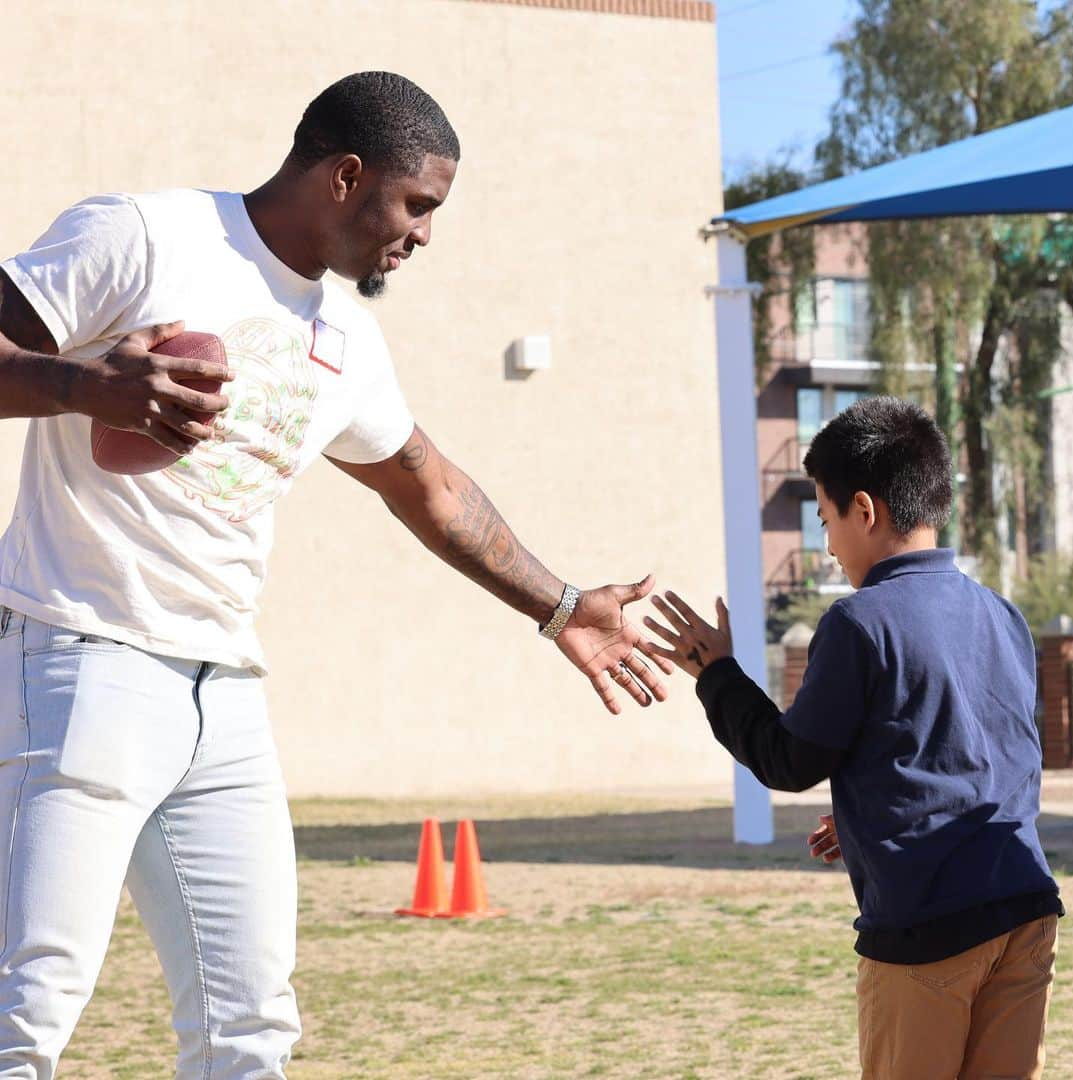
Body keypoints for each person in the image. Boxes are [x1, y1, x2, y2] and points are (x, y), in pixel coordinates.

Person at [0, 71, 669, 1076]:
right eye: (418, 205)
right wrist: (79, 384)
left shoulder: (348, 340)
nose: (426, 237)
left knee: (252, 1030)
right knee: (25, 1013)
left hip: (221, 696)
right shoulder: (144, 236)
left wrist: (563, 607)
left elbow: (429, 488)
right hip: (79, 657)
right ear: (346, 176)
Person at [643, 397, 1062, 1080]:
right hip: (1025, 912)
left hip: (931, 929)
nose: (830, 545)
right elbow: (1000, 754)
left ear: (864, 511)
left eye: (827, 520)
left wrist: (716, 673)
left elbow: (787, 760)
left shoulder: (860, 622)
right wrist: (872, 808)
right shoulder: (1001, 613)